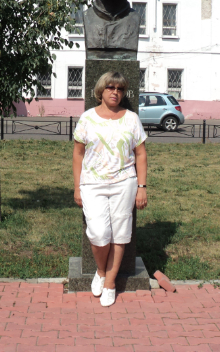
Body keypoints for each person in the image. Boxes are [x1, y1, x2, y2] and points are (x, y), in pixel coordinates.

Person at [73, 71, 147, 307]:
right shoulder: (87, 118)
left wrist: (142, 187)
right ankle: (101, 270)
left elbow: (141, 154)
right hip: (92, 184)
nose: (115, 92)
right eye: (111, 87)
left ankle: (110, 282)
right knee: (98, 233)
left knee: (120, 233)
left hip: (124, 182)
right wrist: (77, 187)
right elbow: (78, 154)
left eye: (120, 89)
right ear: (101, 90)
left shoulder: (131, 119)